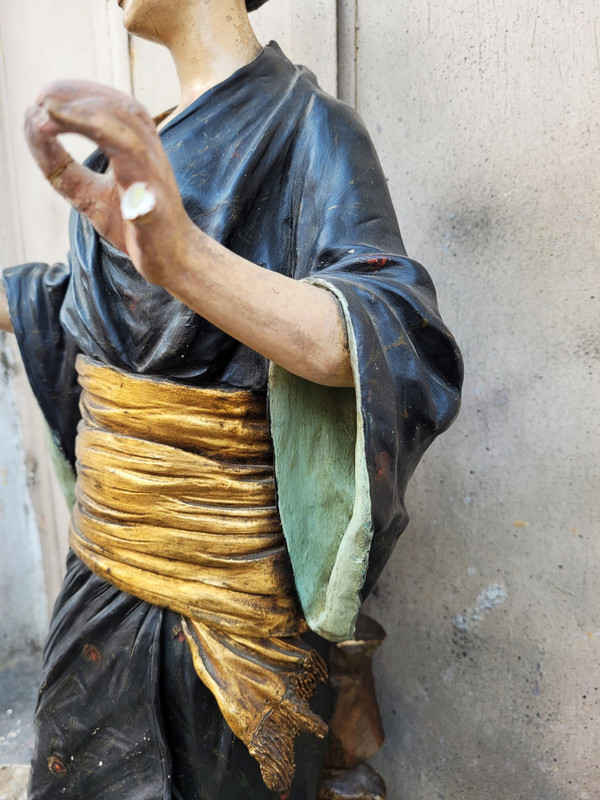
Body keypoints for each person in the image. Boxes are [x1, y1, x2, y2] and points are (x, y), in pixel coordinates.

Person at [0, 0, 463, 797]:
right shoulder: (136, 143)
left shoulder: (310, 128)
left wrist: (184, 260)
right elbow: (87, 307)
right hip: (100, 577)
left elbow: (386, 332)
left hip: (229, 608)